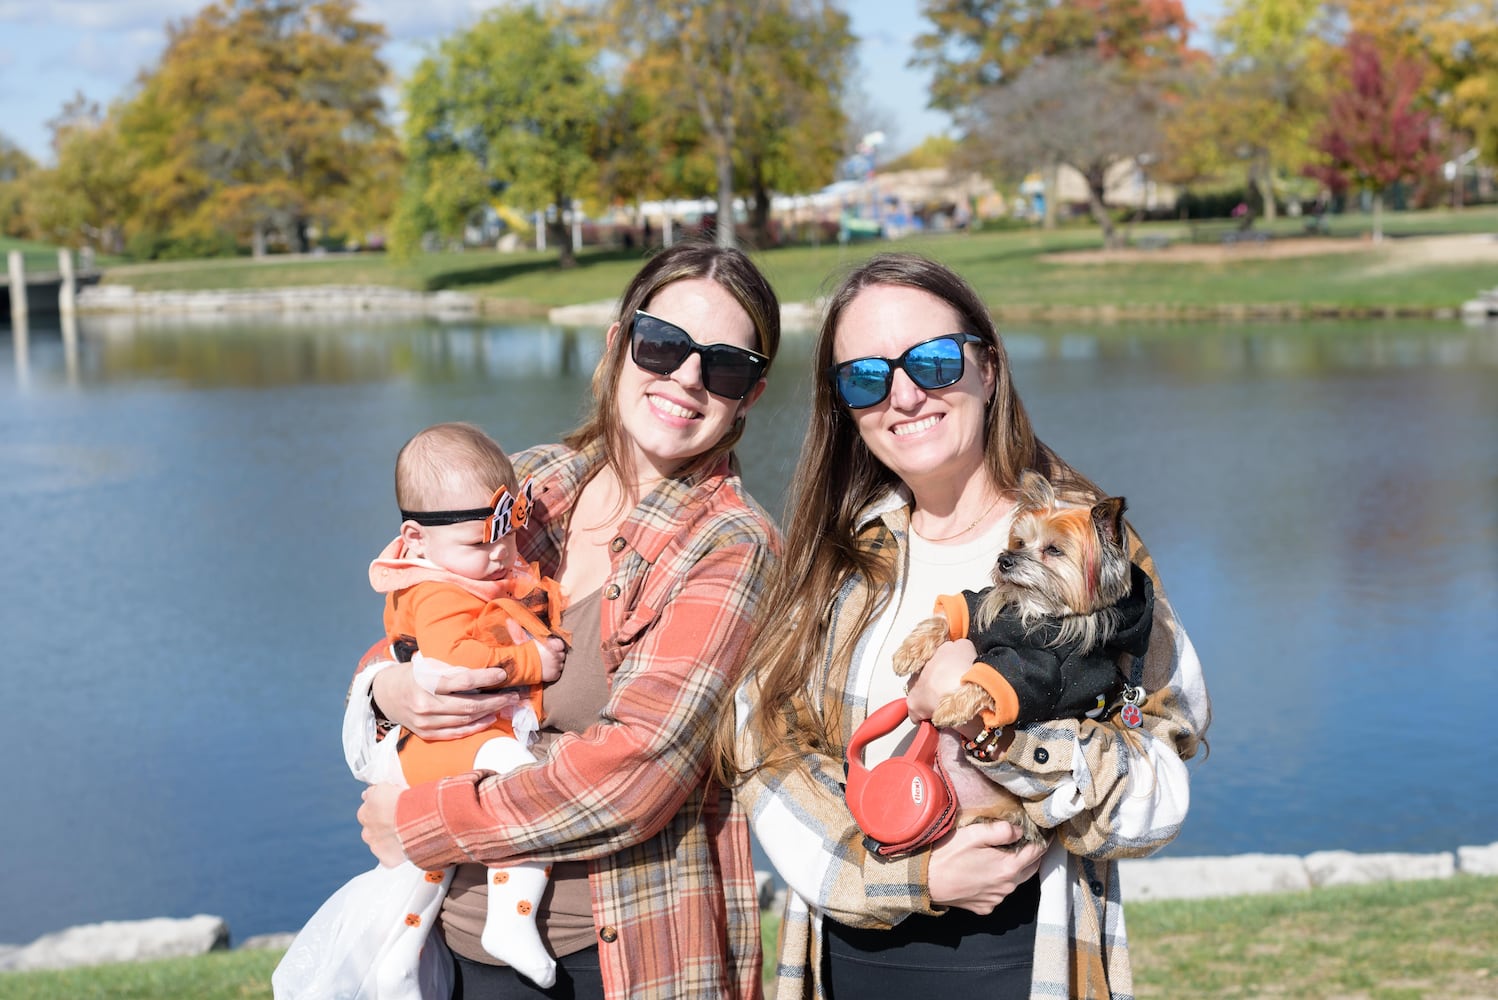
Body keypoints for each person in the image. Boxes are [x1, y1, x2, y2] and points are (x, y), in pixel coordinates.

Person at [729, 253, 1210, 999]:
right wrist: (908, 877)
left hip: (1023, 961)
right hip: (847, 961)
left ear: (988, 368)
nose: (904, 395)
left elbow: (1161, 780)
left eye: (933, 361)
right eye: (865, 377)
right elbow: (764, 745)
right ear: (843, 408)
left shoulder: (1090, 549)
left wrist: (1005, 740)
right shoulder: (838, 556)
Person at [348, 240, 782, 1000]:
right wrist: (386, 690)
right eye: (663, 345)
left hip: (606, 961)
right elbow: (416, 624)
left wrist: (419, 820)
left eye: (724, 366)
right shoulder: (535, 488)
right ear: (619, 345)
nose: (685, 378)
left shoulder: (731, 546)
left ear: (750, 393)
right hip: (449, 946)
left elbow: (631, 778)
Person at [276, 423, 571, 997]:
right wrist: (534, 660)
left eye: (507, 536)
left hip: (445, 745)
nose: (499, 554)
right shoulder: (436, 592)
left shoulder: (463, 568)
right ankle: (512, 920)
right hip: (449, 743)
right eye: (478, 543)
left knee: (429, 866)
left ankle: (400, 954)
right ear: (415, 539)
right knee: (522, 781)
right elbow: (456, 658)